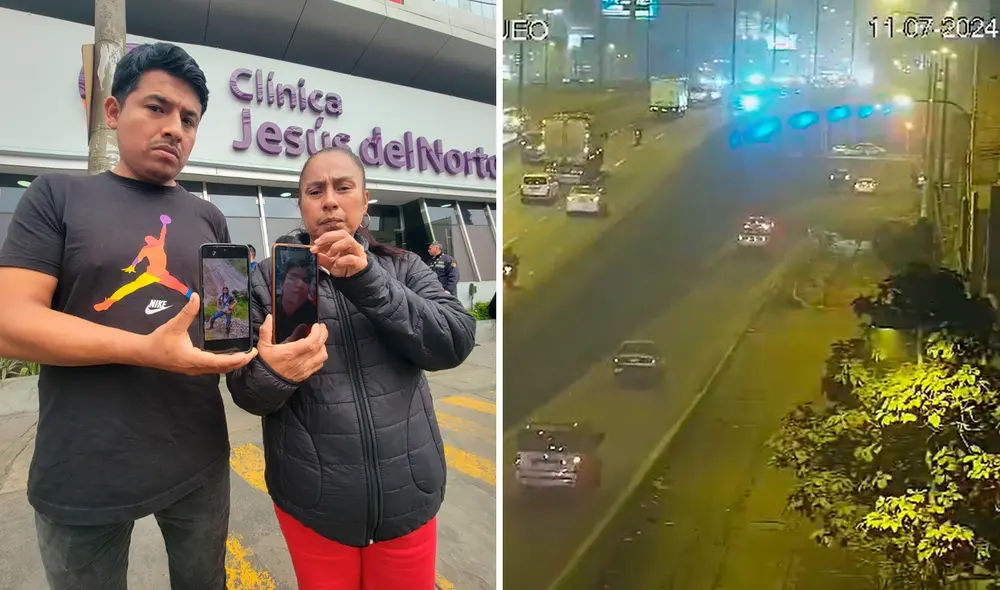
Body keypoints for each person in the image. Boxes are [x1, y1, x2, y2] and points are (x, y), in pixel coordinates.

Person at [0, 43, 261, 590]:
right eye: (157, 108)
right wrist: (144, 349)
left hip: (198, 458)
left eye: (189, 119)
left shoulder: (210, 217)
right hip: (83, 466)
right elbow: (10, 321)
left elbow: (226, 326)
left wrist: (266, 346)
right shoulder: (57, 196)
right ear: (114, 112)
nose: (175, 128)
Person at [227, 146, 476, 590]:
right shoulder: (265, 280)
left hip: (410, 491)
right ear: (301, 205)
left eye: (344, 187)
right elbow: (245, 392)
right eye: (314, 190)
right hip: (312, 501)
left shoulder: (403, 266)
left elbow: (454, 342)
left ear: (365, 201)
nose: (329, 201)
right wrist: (276, 372)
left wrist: (367, 279)